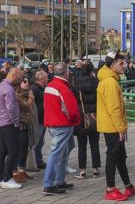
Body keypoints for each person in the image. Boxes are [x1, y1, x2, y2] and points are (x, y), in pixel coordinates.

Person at [97, 52, 135, 201]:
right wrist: (121, 128)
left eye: (124, 62)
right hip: (112, 127)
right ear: (112, 65)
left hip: (112, 125)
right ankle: (110, 189)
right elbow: (114, 108)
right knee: (113, 157)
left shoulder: (110, 79)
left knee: (120, 157)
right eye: (121, 63)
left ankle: (128, 185)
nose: (124, 65)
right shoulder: (110, 82)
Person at [43, 63, 81, 195]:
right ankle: (48, 184)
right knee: (56, 154)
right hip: (62, 124)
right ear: (66, 72)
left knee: (61, 153)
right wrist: (76, 121)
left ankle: (59, 181)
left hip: (53, 123)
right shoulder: (63, 88)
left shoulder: (50, 85)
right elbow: (72, 108)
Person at [73, 62, 101, 179]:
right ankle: (95, 169)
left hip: (81, 116)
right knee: (95, 144)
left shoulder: (76, 83)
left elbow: (74, 99)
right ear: (91, 71)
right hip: (95, 115)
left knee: (82, 145)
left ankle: (82, 170)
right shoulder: (97, 82)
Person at [0, 67, 21, 189]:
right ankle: (7, 178)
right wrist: (16, 121)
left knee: (2, 151)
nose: (20, 80)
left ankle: (2, 177)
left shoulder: (2, 85)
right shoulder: (8, 89)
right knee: (14, 150)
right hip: (8, 123)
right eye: (19, 77)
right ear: (14, 75)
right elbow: (11, 108)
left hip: (2, 123)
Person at [13, 75, 35, 183]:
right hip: (19, 126)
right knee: (19, 149)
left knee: (25, 148)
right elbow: (27, 106)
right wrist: (31, 97)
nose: (27, 83)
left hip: (26, 125)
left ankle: (22, 170)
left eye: (28, 81)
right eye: (24, 81)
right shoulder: (17, 95)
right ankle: (15, 172)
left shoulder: (25, 94)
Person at [31, 71, 48, 170]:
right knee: (36, 142)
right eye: (46, 78)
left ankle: (38, 161)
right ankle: (32, 163)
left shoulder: (43, 88)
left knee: (40, 142)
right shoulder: (35, 88)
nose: (47, 79)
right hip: (37, 120)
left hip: (43, 119)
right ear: (41, 78)